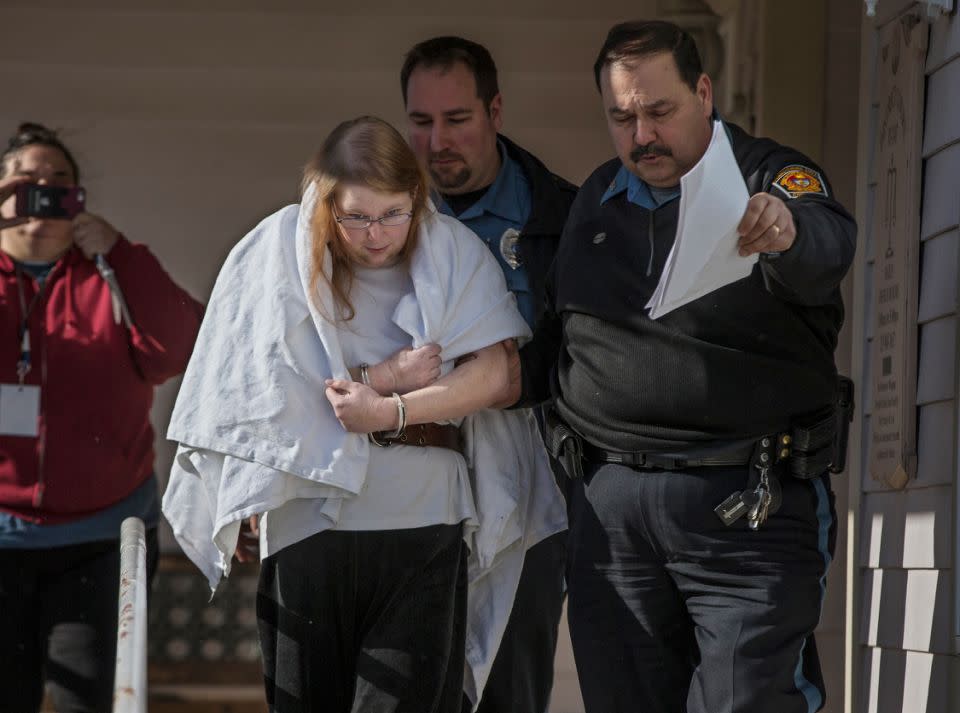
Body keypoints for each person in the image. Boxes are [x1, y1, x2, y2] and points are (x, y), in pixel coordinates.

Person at [162, 116, 564, 713]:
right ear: (325, 204)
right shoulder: (276, 254)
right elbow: (250, 393)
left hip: (422, 523)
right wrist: (379, 378)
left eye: (394, 214)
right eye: (355, 217)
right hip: (308, 528)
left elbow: (497, 373)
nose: (377, 235)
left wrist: (390, 409)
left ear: (417, 200)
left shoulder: (450, 249)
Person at [510, 21, 857, 713]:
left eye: (659, 112)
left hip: (745, 510)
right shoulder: (595, 200)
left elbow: (825, 244)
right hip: (612, 520)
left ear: (704, 92)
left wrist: (784, 229)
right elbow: (556, 341)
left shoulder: (769, 177)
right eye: (622, 117)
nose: (641, 136)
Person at [0, 122, 204, 712]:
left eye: (59, 181)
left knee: (87, 702)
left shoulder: (109, 273)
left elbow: (178, 347)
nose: (43, 192)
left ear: (79, 198)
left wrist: (121, 253)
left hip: (100, 535)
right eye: (25, 182)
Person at [400, 36, 576, 713]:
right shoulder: (384, 216)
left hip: (530, 480)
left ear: (495, 110)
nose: (437, 140)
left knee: (509, 677)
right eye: (421, 121)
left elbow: (580, 353)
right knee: (415, 674)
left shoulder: (561, 216)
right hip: (414, 469)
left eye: (457, 119)